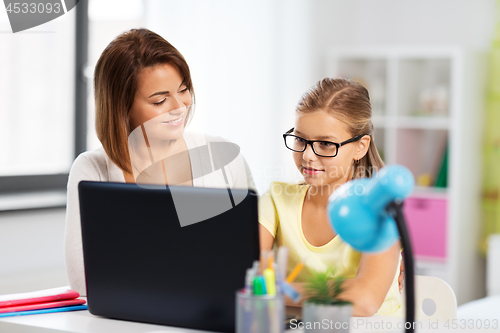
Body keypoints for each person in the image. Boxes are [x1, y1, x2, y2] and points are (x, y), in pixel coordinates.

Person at [64, 28, 255, 296]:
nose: (179, 106)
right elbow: (83, 280)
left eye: (184, 89)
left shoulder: (223, 158)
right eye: (160, 100)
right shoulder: (92, 169)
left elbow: (252, 262)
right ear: (122, 107)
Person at [258, 78, 404, 317]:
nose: (308, 156)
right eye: (300, 140)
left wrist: (279, 292)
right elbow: (250, 284)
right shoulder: (276, 200)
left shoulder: (380, 210)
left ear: (360, 147)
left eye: (326, 144)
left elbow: (365, 300)